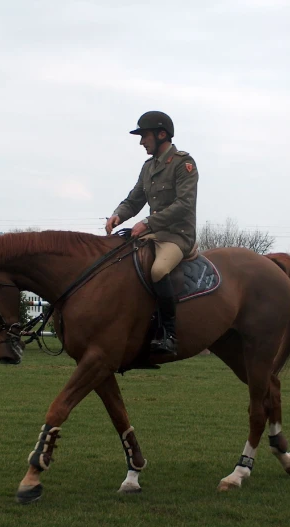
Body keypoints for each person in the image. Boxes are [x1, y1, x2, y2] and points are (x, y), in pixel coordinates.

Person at [105, 111, 198, 355]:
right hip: (154, 234)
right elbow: (134, 198)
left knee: (158, 270)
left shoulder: (183, 163)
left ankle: (169, 334)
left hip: (178, 236)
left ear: (161, 134)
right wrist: (118, 215)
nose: (141, 142)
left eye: (144, 136)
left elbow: (184, 204)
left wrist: (147, 223)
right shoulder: (148, 167)